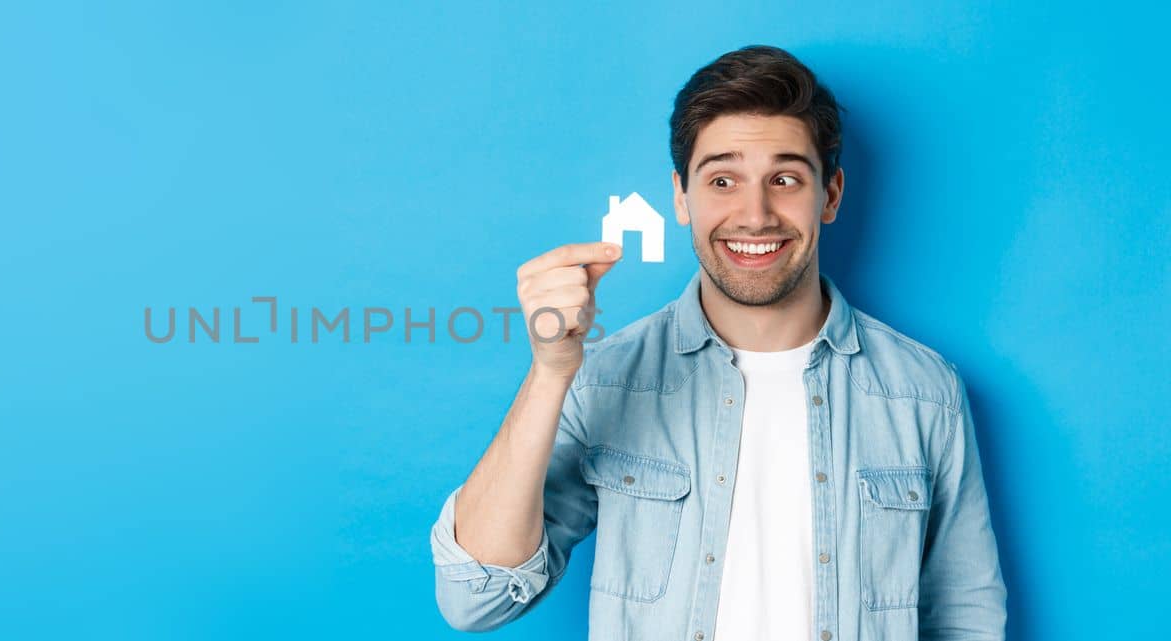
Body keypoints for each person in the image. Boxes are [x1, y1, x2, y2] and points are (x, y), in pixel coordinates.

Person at [429, 45, 1006, 640]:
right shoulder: (604, 379)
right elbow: (476, 598)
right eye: (723, 180)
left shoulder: (924, 393)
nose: (754, 215)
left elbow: (965, 613)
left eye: (784, 179)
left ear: (830, 195)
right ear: (681, 197)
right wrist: (550, 371)